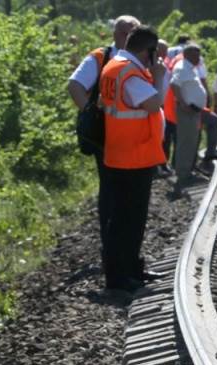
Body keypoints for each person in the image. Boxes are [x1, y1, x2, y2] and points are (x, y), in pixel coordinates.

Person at [99, 25, 168, 298]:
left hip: (120, 151)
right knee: (129, 219)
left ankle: (130, 270)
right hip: (134, 155)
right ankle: (120, 277)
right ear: (147, 52)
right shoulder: (132, 74)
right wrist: (159, 77)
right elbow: (154, 104)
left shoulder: (115, 66)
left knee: (123, 218)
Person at [67, 15, 139, 260]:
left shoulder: (142, 58)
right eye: (122, 32)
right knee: (111, 191)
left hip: (135, 139)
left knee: (131, 194)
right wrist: (91, 113)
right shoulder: (101, 56)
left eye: (131, 32)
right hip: (106, 138)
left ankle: (127, 252)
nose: (125, 37)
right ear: (114, 34)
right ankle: (111, 249)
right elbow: (75, 85)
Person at [170, 43, 207, 196]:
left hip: (193, 111)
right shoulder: (182, 67)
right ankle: (183, 174)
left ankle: (187, 172)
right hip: (187, 110)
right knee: (186, 141)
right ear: (188, 54)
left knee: (191, 140)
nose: (199, 58)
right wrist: (183, 104)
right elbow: (174, 84)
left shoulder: (190, 67)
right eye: (196, 55)